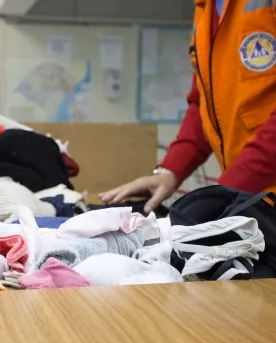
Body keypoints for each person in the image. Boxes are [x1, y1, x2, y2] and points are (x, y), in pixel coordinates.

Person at [100, 0, 276, 213]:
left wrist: (223, 193)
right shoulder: (205, 8)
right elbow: (204, 103)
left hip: (254, 196)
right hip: (250, 203)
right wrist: (170, 171)